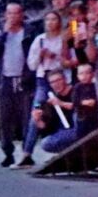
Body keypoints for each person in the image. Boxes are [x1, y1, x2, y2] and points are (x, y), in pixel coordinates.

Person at [0, 2, 37, 168]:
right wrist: (3, 35)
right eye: (10, 13)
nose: (14, 17)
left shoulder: (29, 32)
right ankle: (8, 153)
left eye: (17, 13)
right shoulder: (0, 32)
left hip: (23, 79)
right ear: (6, 15)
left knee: (26, 118)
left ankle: (26, 152)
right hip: (5, 80)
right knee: (5, 119)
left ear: (22, 14)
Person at [21, 11, 66, 164]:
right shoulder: (39, 40)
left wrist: (55, 57)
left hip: (59, 76)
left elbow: (68, 60)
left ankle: (62, 147)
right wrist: (40, 55)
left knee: (61, 111)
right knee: (37, 112)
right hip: (43, 78)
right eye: (48, 20)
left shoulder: (63, 39)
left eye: (54, 19)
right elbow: (31, 65)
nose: (50, 23)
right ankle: (27, 153)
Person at [42, 64, 98, 153]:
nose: (56, 84)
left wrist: (61, 103)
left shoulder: (78, 89)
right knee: (46, 142)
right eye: (52, 82)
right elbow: (49, 127)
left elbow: (80, 105)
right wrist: (38, 120)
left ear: (65, 79)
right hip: (67, 131)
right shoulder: (53, 99)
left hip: (84, 126)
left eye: (58, 80)